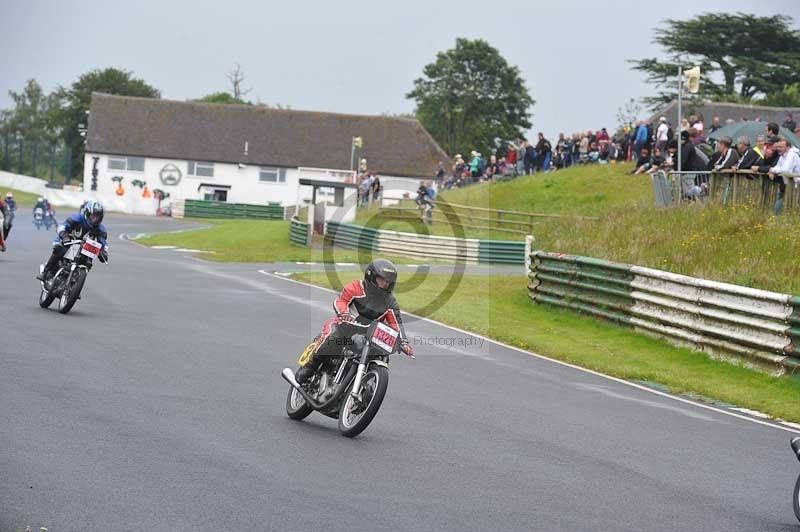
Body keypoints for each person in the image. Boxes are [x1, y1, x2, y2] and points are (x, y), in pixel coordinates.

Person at [294, 259, 414, 384]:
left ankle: (366, 383)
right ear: (371, 276)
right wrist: (344, 314)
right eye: (381, 280)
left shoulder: (390, 302)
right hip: (345, 327)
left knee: (382, 353)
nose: (385, 284)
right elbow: (341, 301)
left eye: (388, 282)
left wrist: (404, 342)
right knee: (333, 335)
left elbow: (396, 323)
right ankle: (311, 365)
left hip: (367, 335)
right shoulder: (356, 287)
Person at [37, 201, 109, 284]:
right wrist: (64, 235)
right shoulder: (77, 218)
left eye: (98, 217)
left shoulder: (101, 229)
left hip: (84, 248)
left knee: (88, 261)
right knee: (60, 249)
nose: (95, 219)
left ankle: (75, 285)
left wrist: (104, 252)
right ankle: (46, 272)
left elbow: (103, 243)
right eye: (93, 216)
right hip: (69, 241)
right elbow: (61, 226)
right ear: (87, 214)